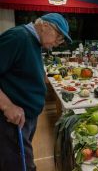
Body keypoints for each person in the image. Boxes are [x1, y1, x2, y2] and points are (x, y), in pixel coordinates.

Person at [0, 13, 72, 171]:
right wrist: (7, 107)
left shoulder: (34, 41)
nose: (58, 43)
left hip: (27, 118)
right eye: (58, 37)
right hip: (12, 121)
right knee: (20, 166)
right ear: (45, 26)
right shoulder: (19, 38)